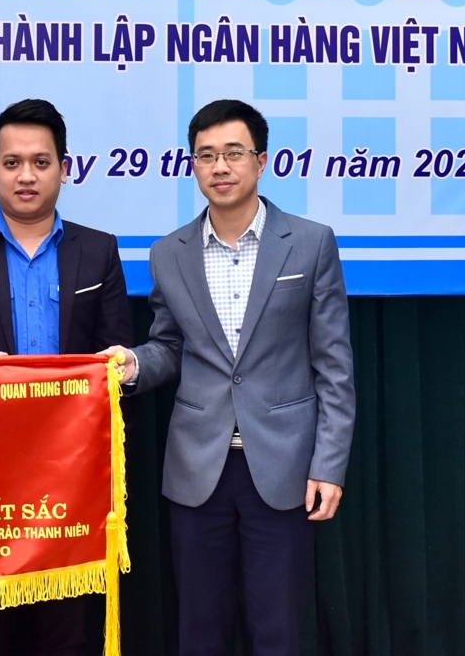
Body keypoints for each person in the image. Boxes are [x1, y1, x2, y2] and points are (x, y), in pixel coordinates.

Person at [99, 99, 354, 656]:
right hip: (197, 470)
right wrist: (133, 364)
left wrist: (328, 465)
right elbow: (170, 346)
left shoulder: (310, 243)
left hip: (284, 468)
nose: (220, 167)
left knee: (277, 631)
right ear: (192, 165)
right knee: (199, 631)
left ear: (261, 161)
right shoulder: (168, 253)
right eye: (206, 155)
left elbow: (334, 367)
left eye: (234, 153)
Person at [0, 98, 133, 656]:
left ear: (64, 168)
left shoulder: (99, 250)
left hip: (71, 476)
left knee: (66, 627)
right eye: (11, 163)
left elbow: (118, 360)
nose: (26, 176)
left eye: (40, 162)